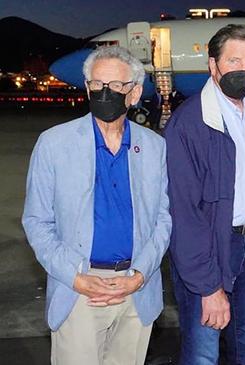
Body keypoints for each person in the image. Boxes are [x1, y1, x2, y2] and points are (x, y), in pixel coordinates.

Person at [22, 45, 172, 365]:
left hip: (135, 290)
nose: (106, 93)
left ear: (133, 93)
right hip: (79, 291)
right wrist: (76, 278)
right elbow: (36, 221)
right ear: (87, 87)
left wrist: (140, 274)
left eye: (116, 86)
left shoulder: (154, 147)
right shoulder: (53, 143)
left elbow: (163, 218)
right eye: (98, 85)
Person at [164, 24, 245, 365]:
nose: (243, 69)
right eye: (233, 60)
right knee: (203, 353)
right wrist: (207, 287)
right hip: (211, 248)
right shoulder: (189, 125)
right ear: (212, 65)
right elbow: (183, 215)